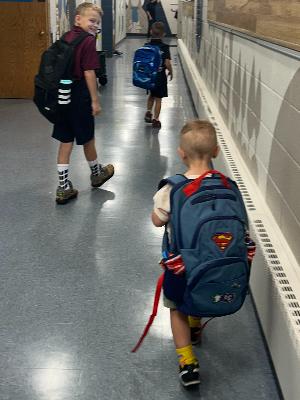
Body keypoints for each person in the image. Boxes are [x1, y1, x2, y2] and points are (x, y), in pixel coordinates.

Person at [151, 120, 219, 387]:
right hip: (212, 262)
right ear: (216, 152)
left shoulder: (173, 188)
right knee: (200, 290)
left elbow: (157, 221)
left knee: (176, 307)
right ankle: (195, 327)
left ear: (181, 153)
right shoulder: (226, 185)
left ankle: (187, 362)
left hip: (180, 264)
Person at [52, 2, 114, 205]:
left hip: (63, 95)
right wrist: (95, 100)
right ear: (77, 19)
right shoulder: (88, 41)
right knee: (88, 138)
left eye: (97, 22)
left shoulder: (66, 37)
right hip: (79, 96)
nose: (95, 25)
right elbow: (89, 72)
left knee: (65, 141)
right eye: (91, 20)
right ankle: (97, 174)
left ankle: (63, 187)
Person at [144, 22, 173, 129]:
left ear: (151, 32)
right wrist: (171, 71)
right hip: (160, 76)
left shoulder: (147, 46)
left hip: (150, 76)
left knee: (151, 95)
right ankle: (156, 120)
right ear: (163, 34)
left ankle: (148, 112)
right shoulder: (164, 47)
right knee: (158, 99)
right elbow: (167, 63)